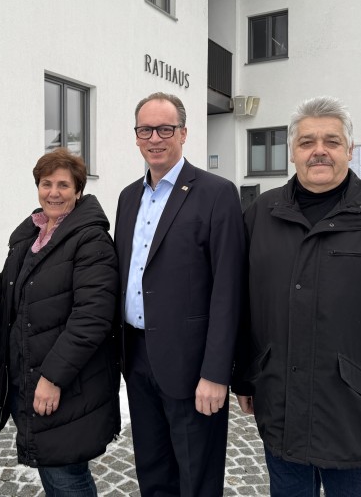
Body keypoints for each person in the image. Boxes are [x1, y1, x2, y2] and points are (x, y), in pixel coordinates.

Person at [233, 96, 361, 496]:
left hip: (354, 407)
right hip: (281, 403)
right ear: (292, 152)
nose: (319, 151)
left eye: (331, 141)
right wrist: (244, 377)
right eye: (307, 142)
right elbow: (244, 306)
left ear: (349, 150)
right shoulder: (261, 215)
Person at [114, 92, 245, 496]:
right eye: (145, 130)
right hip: (136, 356)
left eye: (165, 129)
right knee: (152, 472)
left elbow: (229, 289)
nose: (155, 138)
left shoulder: (216, 193)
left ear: (184, 133)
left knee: (197, 480)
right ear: (136, 137)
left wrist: (216, 373)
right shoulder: (127, 197)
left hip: (192, 367)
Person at [0, 148, 120, 496]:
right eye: (46, 184)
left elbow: (92, 317)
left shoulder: (91, 240)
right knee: (53, 470)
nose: (53, 192)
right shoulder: (29, 236)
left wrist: (53, 377)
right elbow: (2, 301)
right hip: (29, 376)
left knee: (65, 474)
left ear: (78, 191)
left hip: (69, 383)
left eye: (63, 185)